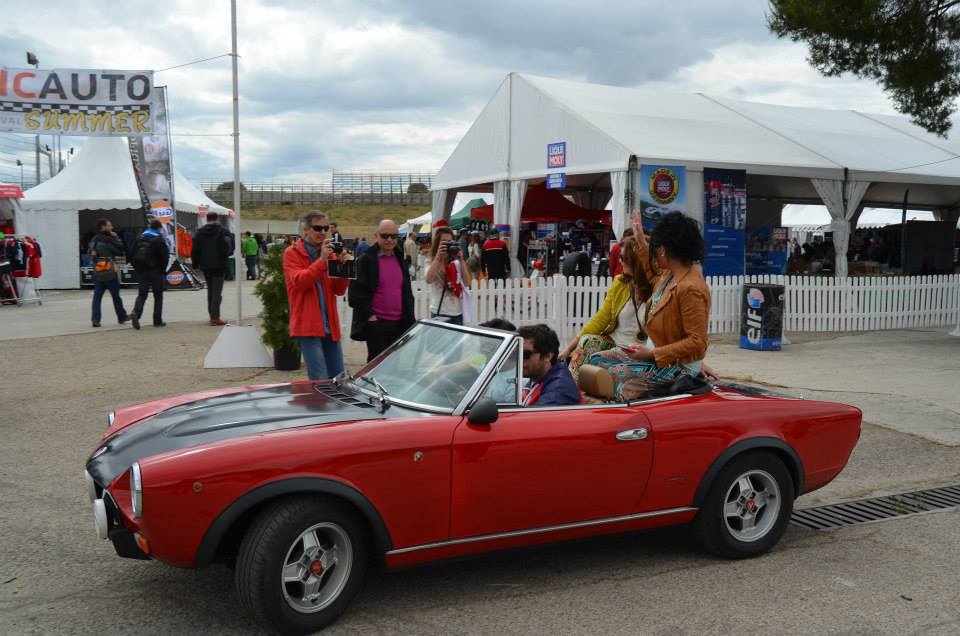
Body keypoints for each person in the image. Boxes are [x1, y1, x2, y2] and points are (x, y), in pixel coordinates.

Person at [588, 211, 710, 401]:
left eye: (655, 247)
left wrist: (653, 353)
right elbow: (651, 273)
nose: (652, 254)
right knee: (595, 361)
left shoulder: (690, 288)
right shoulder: (670, 273)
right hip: (658, 357)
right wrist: (640, 241)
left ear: (663, 250)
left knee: (613, 376)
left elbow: (697, 341)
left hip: (678, 367)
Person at [559, 236, 652, 380]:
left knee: (602, 363)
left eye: (623, 257)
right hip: (615, 344)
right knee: (587, 341)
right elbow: (600, 318)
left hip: (642, 351)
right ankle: (570, 386)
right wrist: (569, 348)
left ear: (636, 261)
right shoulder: (620, 283)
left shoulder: (658, 288)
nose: (619, 261)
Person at [284, 212, 351, 380]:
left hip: (329, 325)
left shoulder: (331, 254)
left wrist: (345, 268)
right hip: (308, 326)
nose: (322, 232)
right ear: (306, 229)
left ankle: (333, 407)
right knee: (319, 379)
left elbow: (339, 290)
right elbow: (300, 282)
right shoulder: (292, 253)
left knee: (338, 378)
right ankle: (319, 407)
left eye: (325, 228)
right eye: (317, 228)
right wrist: (322, 261)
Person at [349, 219, 416, 362]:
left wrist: (410, 320)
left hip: (399, 323)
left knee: (394, 365)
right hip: (377, 323)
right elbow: (355, 294)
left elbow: (407, 292)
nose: (389, 240)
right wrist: (371, 317)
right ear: (376, 236)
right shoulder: (365, 260)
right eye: (385, 236)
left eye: (393, 236)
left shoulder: (400, 259)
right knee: (376, 366)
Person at [518, 324, 581, 406]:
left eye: (525, 354)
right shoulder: (537, 377)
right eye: (517, 352)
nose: (519, 359)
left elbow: (534, 418)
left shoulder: (559, 389)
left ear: (547, 356)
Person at [192, 211, 233, 326]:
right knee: (217, 292)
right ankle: (215, 317)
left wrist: (195, 265)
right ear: (217, 218)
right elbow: (230, 247)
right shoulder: (223, 231)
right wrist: (225, 255)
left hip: (205, 265)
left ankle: (212, 315)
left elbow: (195, 249)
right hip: (219, 264)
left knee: (210, 290)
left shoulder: (200, 232)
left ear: (207, 219)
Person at [425, 226, 473, 325]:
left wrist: (461, 259)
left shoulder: (456, 262)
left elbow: (467, 283)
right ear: (437, 243)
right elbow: (428, 280)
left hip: (457, 312)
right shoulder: (431, 260)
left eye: (450, 242)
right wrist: (438, 258)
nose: (447, 245)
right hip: (439, 312)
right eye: (444, 242)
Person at [88, 219, 130, 328]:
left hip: (98, 271)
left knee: (97, 297)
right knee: (116, 296)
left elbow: (91, 254)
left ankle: (95, 319)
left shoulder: (94, 240)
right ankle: (122, 317)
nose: (111, 227)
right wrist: (116, 237)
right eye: (109, 225)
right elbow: (120, 250)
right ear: (103, 227)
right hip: (110, 270)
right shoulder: (108, 239)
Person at [130, 219, 169, 329]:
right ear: (159, 228)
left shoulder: (139, 238)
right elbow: (165, 257)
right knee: (158, 296)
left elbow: (131, 254)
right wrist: (163, 270)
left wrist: (137, 268)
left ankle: (136, 313)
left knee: (142, 294)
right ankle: (157, 320)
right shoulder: (159, 240)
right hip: (156, 270)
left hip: (142, 271)